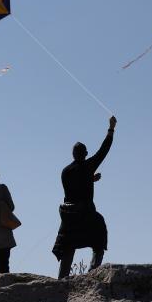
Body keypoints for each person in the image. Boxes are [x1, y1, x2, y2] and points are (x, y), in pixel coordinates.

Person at [53, 116, 117, 279]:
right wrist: (111, 128)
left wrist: (90, 179)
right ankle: (93, 273)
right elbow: (104, 149)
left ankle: (62, 278)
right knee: (99, 238)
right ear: (86, 154)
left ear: (73, 154)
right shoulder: (88, 165)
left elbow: (73, 187)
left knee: (68, 245)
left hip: (68, 214)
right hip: (85, 211)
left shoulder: (65, 171)